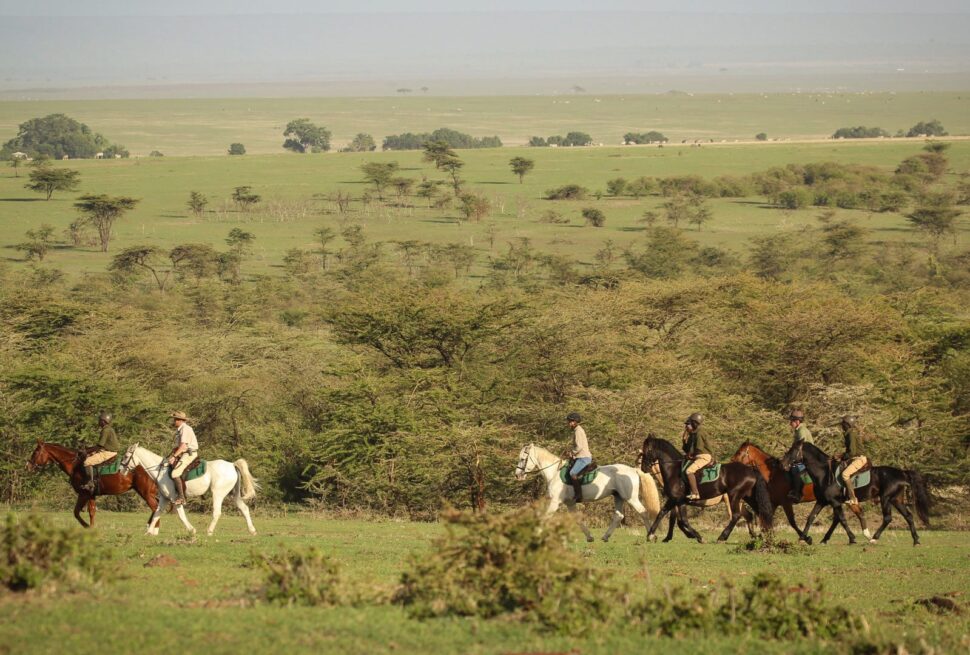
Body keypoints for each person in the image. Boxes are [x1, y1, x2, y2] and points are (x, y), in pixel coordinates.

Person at [81, 412, 120, 492]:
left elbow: (100, 445)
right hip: (107, 450)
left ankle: (91, 483)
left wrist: (86, 451)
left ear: (103, 421)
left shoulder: (106, 430)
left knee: (87, 461)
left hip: (109, 452)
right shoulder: (108, 429)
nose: (98, 422)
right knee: (89, 456)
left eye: (100, 420)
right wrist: (89, 450)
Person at [167, 410, 199, 505]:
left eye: (175, 419)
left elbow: (183, 446)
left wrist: (174, 456)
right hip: (184, 453)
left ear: (180, 420)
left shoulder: (185, 429)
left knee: (175, 474)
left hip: (189, 454)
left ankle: (181, 498)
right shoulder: (181, 429)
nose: (174, 421)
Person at [682, 412, 713, 500]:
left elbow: (698, 448)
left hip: (704, 456)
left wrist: (690, 455)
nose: (688, 425)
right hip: (698, 455)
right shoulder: (694, 433)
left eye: (690, 422)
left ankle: (695, 493)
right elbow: (687, 450)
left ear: (695, 423)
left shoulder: (699, 433)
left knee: (689, 471)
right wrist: (684, 440)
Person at [786, 409, 814, 501]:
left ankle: (798, 494)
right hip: (802, 456)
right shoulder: (799, 430)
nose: (790, 423)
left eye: (792, 421)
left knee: (795, 470)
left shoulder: (801, 431)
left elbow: (802, 447)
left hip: (806, 458)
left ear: (797, 421)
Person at [839, 415, 867, 506]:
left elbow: (852, 452)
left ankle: (853, 498)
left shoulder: (851, 434)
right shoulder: (848, 433)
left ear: (848, 424)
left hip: (859, 459)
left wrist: (841, 455)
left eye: (843, 423)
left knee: (845, 474)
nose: (842, 425)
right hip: (854, 457)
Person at [566, 412, 591, 503]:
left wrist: (572, 453)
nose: (568, 423)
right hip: (580, 456)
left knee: (572, 473)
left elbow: (579, 447)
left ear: (575, 422)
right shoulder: (577, 430)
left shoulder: (578, 431)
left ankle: (578, 495)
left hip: (583, 457)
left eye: (570, 421)